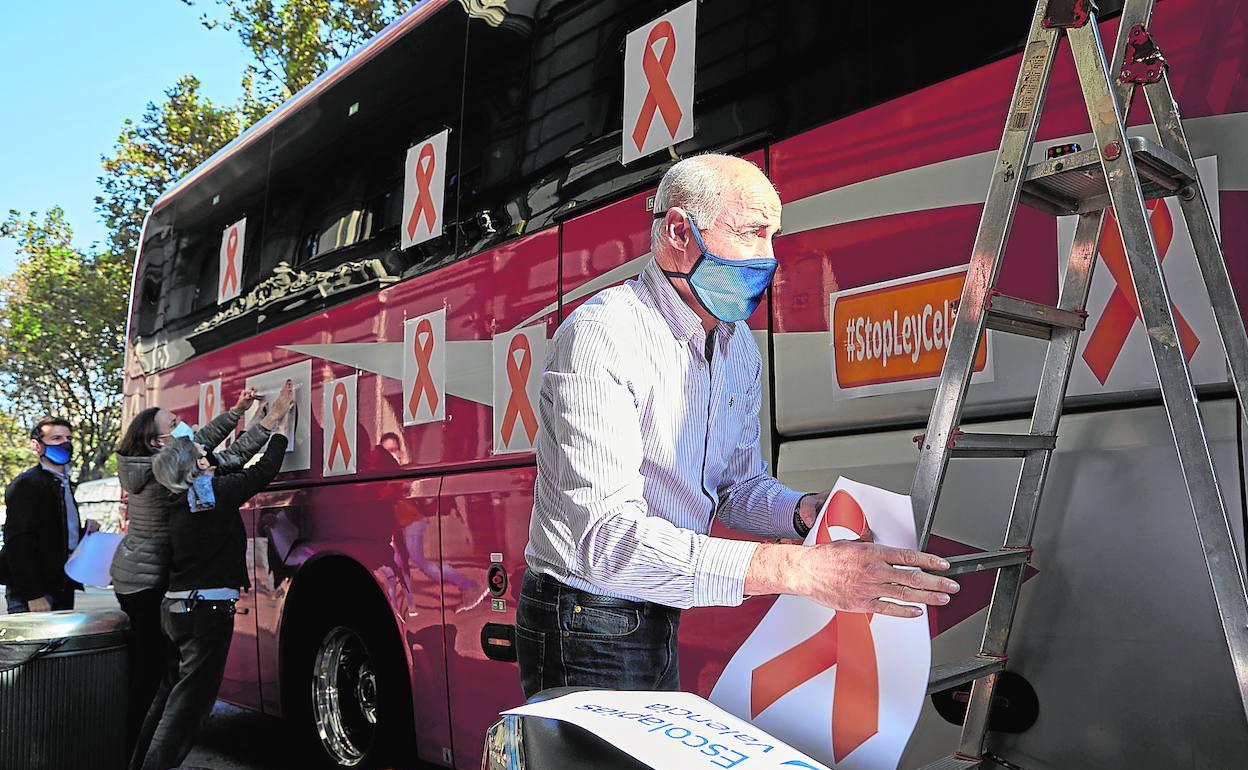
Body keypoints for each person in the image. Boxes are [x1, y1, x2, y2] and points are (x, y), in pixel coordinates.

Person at [517, 154, 960, 697]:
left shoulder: (735, 345)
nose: (768, 259)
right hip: (586, 615)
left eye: (773, 237)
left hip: (657, 602)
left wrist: (800, 513)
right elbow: (607, 543)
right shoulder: (602, 336)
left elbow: (735, 487)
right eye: (751, 232)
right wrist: (803, 570)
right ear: (679, 231)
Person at [130, 381, 294, 770]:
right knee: (189, 709)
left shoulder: (180, 498)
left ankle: (137, 763)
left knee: (168, 697)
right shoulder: (211, 496)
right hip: (206, 614)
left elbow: (232, 460)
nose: (207, 455)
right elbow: (261, 472)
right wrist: (281, 431)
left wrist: (256, 418)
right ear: (198, 466)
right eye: (203, 454)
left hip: (176, 610)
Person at [1, 416, 98, 613]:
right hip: (36, 592)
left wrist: (84, 533)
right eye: (56, 438)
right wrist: (33, 595)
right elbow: (18, 542)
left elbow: (54, 534)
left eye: (68, 438)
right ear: (37, 446)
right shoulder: (27, 484)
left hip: (62, 584)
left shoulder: (63, 484)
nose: (65, 443)